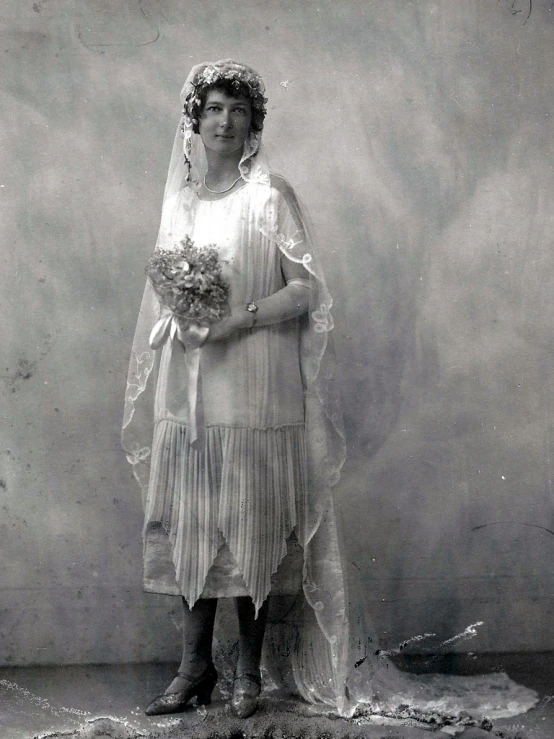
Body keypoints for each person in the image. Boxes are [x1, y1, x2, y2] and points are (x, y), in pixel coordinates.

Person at [122, 59, 539, 729]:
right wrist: (186, 309)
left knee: (253, 530)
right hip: (190, 382)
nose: (224, 121)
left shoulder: (270, 196)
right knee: (193, 527)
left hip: (255, 385)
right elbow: (167, 283)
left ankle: (249, 672)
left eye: (237, 110)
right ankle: (192, 667)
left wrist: (240, 316)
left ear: (254, 124)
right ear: (194, 123)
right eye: (213, 110)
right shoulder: (183, 200)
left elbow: (306, 288)